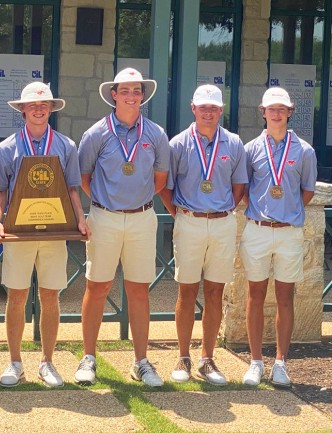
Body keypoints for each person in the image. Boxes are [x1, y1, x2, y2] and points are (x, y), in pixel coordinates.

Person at [0, 81, 89, 388]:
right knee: (17, 296)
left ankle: (47, 361)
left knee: (50, 296)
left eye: (44, 104)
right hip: (19, 233)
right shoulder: (7, 147)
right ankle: (15, 362)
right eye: (32, 105)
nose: (38, 108)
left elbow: (72, 188)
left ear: (51, 109)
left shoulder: (65, 145)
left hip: (55, 230)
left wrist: (81, 220)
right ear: (22, 110)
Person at [76, 68, 169, 387]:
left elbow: (159, 181)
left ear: (143, 95)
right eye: (125, 90)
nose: (131, 95)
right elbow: (83, 178)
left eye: (137, 90)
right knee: (97, 287)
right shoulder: (96, 134)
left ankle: (141, 362)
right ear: (113, 94)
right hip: (104, 218)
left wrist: (131, 203)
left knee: (139, 290)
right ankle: (89, 357)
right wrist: (108, 203)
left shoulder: (155, 134)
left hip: (143, 217)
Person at [159, 84, 247, 385]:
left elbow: (239, 187)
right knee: (186, 291)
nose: (208, 112)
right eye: (203, 107)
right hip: (189, 221)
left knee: (214, 292)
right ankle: (183, 356)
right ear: (193, 108)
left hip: (223, 222)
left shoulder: (234, 143)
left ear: (221, 111)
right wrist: (183, 215)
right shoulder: (178, 144)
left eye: (214, 107)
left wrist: (221, 211)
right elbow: (166, 188)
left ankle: (207, 358)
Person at [240, 87, 316, 388]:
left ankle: (281, 363)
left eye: (281, 108)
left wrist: (286, 209)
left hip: (289, 233)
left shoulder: (304, 150)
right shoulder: (250, 149)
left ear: (290, 111)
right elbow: (244, 189)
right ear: (263, 111)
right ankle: (256, 361)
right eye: (271, 108)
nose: (276, 113)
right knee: (254, 295)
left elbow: (307, 192)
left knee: (285, 297)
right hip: (257, 230)